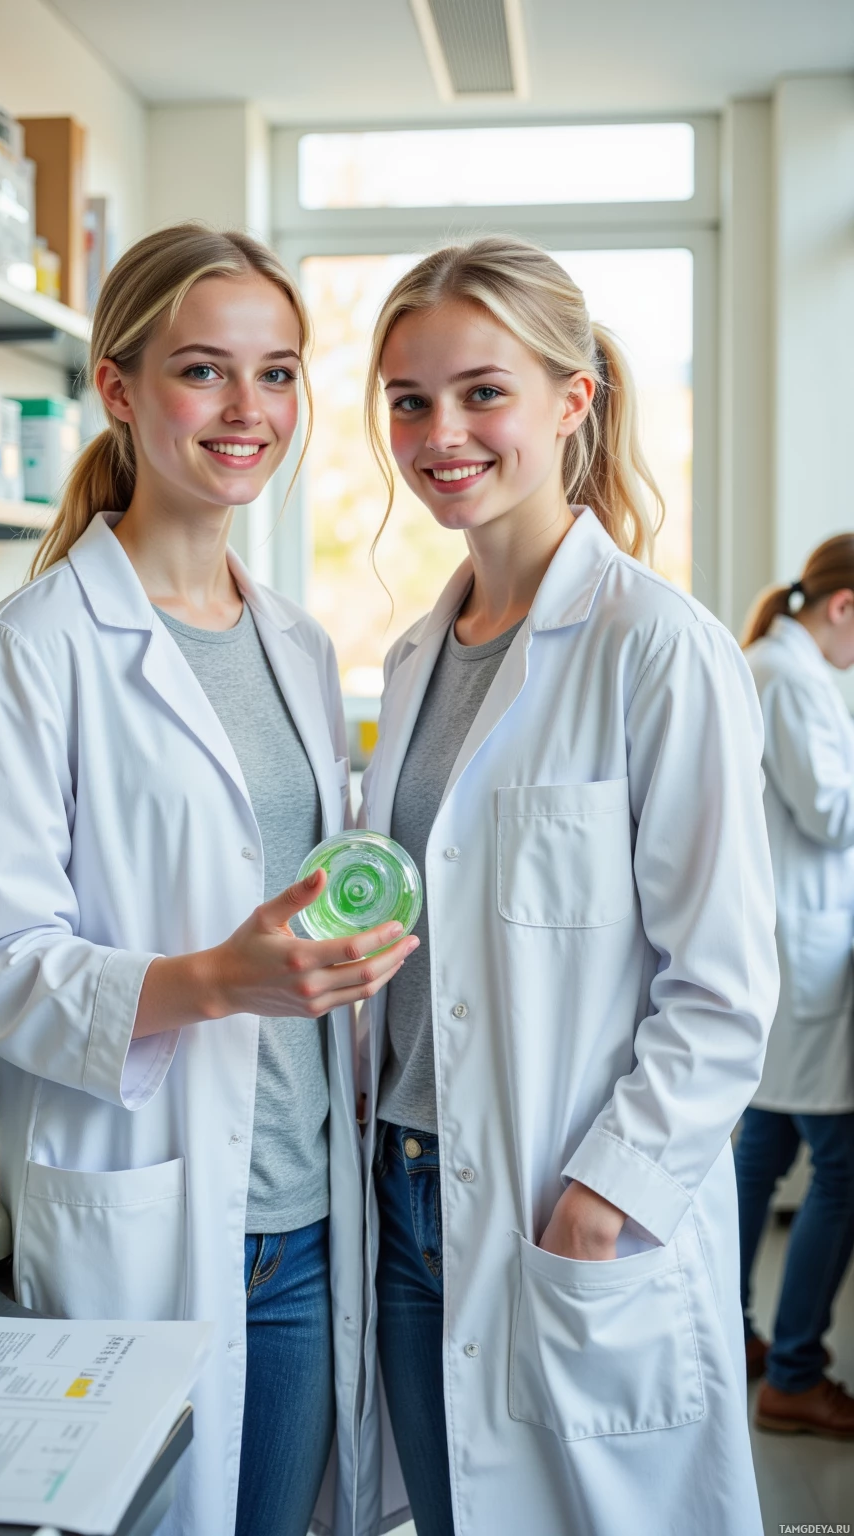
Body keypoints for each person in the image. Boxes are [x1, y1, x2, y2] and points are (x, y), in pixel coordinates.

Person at [0, 223, 417, 1536]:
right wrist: (213, 981)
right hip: (146, 1210)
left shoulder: (301, 648)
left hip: (311, 1222)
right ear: (120, 386)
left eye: (279, 372)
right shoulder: (29, 652)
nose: (249, 410)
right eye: (205, 371)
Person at [355, 236, 779, 1536]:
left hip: (559, 1197)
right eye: (411, 400)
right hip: (406, 1193)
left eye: (483, 392)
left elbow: (722, 991)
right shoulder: (418, 652)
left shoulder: (659, 646)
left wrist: (602, 1200)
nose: (442, 434)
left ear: (571, 398)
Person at [736, 538, 854, 1438]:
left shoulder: (780, 666)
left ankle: (737, 1335)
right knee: (842, 1167)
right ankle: (795, 1371)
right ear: (844, 608)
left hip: (794, 944)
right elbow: (831, 811)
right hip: (800, 950)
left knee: (764, 1146)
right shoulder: (787, 676)